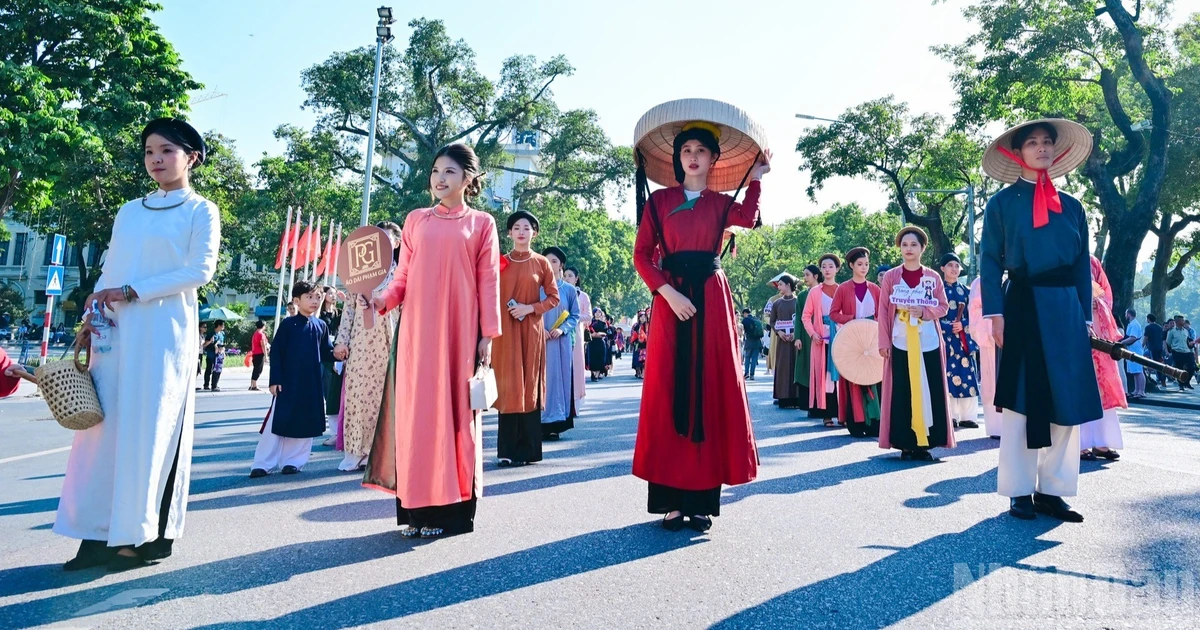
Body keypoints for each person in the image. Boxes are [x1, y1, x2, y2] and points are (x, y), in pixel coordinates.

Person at [56, 117, 220, 571]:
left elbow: (199, 271)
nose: (156, 159)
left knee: (149, 432)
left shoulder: (201, 211)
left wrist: (132, 292)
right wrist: (91, 318)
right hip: (115, 332)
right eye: (149, 151)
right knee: (102, 433)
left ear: (192, 157)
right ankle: (95, 535)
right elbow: (111, 268)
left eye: (167, 150)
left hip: (163, 335)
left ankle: (138, 537)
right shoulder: (129, 211)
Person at [632, 120, 768, 532]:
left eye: (701, 150)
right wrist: (667, 294)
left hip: (711, 295)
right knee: (668, 388)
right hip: (670, 298)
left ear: (713, 159)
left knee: (710, 389)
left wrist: (757, 179)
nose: (693, 156)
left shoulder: (722, 203)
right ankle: (671, 502)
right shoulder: (659, 201)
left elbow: (747, 218)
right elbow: (642, 255)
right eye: (686, 149)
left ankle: (702, 502)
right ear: (678, 158)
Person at [363, 143, 500, 539]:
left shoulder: (482, 224)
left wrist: (487, 335)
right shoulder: (416, 220)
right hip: (417, 335)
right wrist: (381, 300)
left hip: (460, 333)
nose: (440, 178)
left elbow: (489, 281)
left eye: (450, 172)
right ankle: (415, 510)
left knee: (454, 415)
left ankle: (451, 512)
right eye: (436, 170)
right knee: (417, 417)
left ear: (469, 179)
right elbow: (402, 277)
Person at [980, 119, 1101, 523]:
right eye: (1032, 142)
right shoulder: (1001, 204)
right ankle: (1019, 490)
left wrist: (1084, 316)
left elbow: (1081, 265)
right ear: (1017, 153)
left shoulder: (1073, 206)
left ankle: (1053, 490)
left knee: (1066, 397)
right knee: (1022, 399)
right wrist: (995, 313)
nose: (1042, 147)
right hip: (1023, 305)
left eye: (1047, 141)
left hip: (1066, 309)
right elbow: (989, 260)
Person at [878, 227, 954, 461]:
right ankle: (906, 443)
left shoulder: (933, 277)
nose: (908, 249)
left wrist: (924, 311)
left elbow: (943, 306)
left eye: (913, 244)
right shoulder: (891, 277)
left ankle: (926, 443)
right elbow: (883, 310)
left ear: (922, 248)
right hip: (900, 340)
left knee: (930, 389)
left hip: (927, 341)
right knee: (903, 390)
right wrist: (883, 341)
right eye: (904, 245)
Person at [492, 210, 558, 467]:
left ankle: (528, 451)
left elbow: (553, 298)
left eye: (527, 227)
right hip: (504, 332)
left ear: (534, 233)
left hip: (531, 330)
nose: (521, 231)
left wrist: (529, 308)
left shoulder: (542, 263)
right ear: (509, 233)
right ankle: (507, 451)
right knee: (508, 385)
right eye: (516, 227)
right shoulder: (499, 262)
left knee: (529, 385)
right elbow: (487, 293)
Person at [333, 221, 401, 470]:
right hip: (362, 343)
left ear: (397, 243)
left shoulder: (402, 274)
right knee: (359, 396)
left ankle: (383, 454)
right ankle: (356, 451)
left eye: (388, 238)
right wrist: (341, 341)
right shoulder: (359, 271)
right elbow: (348, 310)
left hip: (391, 339)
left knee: (389, 395)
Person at [251, 281, 332, 478]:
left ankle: (293, 461)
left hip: (311, 383)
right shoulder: (288, 325)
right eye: (309, 297)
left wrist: (341, 352)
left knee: (304, 422)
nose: (314, 301)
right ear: (297, 301)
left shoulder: (321, 326)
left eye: (318, 297)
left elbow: (326, 352)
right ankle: (263, 463)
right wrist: (275, 380)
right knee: (276, 422)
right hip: (287, 382)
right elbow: (277, 353)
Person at [830, 248, 883, 437]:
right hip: (851, 339)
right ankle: (856, 423)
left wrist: (875, 323)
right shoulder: (843, 289)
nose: (864, 267)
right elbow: (833, 313)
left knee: (874, 376)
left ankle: (875, 421)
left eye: (866, 264)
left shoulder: (875, 289)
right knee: (854, 379)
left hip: (872, 338)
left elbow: (882, 314)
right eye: (860, 264)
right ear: (851, 265)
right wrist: (851, 319)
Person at [1080, 256, 1125, 461]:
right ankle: (1080, 443)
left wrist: (1098, 304)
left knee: (1102, 386)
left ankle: (1101, 441)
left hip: (1097, 329)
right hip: (1073, 328)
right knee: (1080, 387)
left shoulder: (1092, 262)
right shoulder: (1062, 255)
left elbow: (1105, 293)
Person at [937, 253, 980, 429]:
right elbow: (932, 315)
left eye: (957, 265)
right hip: (945, 340)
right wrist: (947, 327)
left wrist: (963, 324)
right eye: (950, 265)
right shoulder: (937, 291)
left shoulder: (967, 291)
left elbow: (976, 315)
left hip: (963, 341)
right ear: (942, 268)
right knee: (947, 375)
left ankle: (968, 416)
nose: (954, 269)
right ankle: (951, 416)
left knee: (967, 375)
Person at [541, 246, 580, 439]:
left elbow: (575, 315)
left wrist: (562, 329)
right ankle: (539, 421)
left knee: (559, 379)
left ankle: (556, 422)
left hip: (560, 342)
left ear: (561, 265)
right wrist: (539, 330)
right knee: (541, 380)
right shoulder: (535, 287)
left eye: (554, 261)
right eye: (546, 261)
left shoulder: (569, 290)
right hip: (540, 341)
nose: (550, 264)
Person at [801, 254, 843, 426]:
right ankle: (827, 414)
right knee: (825, 377)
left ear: (837, 269)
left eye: (831, 266)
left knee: (840, 376)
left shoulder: (843, 289)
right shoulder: (814, 292)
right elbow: (805, 316)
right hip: (822, 340)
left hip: (840, 339)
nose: (827, 269)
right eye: (824, 266)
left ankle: (842, 413)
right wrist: (812, 333)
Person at [968, 276, 1002, 438]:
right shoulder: (981, 281)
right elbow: (975, 309)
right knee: (991, 382)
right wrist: (994, 325)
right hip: (990, 335)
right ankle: (996, 427)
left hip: (1014, 335)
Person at [770, 274, 804, 408]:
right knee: (783, 367)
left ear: (788, 285)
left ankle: (797, 398)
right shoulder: (777, 303)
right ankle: (783, 397)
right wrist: (779, 332)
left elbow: (804, 319)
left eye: (780, 284)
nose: (778, 287)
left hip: (796, 341)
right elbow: (772, 321)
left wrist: (796, 334)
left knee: (796, 366)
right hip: (782, 341)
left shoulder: (798, 301)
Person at [791, 265, 819, 409]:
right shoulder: (802, 295)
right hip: (805, 336)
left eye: (807, 275)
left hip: (822, 334)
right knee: (805, 367)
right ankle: (807, 403)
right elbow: (798, 318)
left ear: (816, 276)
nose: (805, 278)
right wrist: (797, 337)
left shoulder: (824, 291)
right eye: (804, 275)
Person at [564, 266, 589, 408]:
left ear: (576, 278)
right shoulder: (559, 292)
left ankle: (576, 400)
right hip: (561, 332)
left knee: (576, 365)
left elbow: (588, 316)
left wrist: (573, 316)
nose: (567, 278)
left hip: (577, 335)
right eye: (565, 275)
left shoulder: (582, 296)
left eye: (570, 276)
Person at [318, 286, 342, 418]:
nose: (333, 296)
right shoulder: (320, 313)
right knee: (317, 382)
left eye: (335, 294)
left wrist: (346, 300)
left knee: (330, 384)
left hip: (333, 350)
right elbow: (314, 319)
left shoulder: (338, 313)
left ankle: (331, 414)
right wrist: (320, 301)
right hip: (319, 350)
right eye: (330, 293)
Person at [1120, 309, 1146, 399]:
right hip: (1132, 349)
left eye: (1126, 314)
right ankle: (1136, 389)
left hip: (1136, 349)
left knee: (1139, 370)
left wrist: (1122, 342)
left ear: (1129, 314)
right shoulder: (1131, 324)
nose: (1125, 315)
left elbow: (1133, 338)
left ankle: (1141, 391)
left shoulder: (1135, 324)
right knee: (1135, 371)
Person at [1168, 314, 1195, 390]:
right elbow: (1168, 342)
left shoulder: (1186, 331)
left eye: (1183, 320)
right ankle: (1181, 384)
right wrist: (1174, 348)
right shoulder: (1172, 331)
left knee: (1192, 367)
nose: (1183, 322)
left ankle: (1187, 382)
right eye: (1182, 320)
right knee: (1179, 368)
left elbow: (1188, 340)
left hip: (1187, 351)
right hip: (1177, 352)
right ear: (1177, 321)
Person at [587, 308, 612, 381]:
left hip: (600, 342)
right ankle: (592, 373)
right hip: (592, 342)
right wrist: (592, 335)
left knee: (600, 359)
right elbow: (587, 331)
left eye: (599, 312)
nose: (598, 314)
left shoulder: (603, 323)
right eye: (596, 312)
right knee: (592, 358)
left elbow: (607, 333)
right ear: (593, 313)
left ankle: (597, 375)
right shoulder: (590, 322)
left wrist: (599, 334)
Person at [1143, 313, 1165, 389]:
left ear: (1148, 319)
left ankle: (1160, 378)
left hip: (1152, 348)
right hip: (1160, 347)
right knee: (1160, 362)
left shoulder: (1148, 327)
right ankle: (1162, 378)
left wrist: (1142, 345)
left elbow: (1146, 337)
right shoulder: (1159, 327)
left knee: (1155, 363)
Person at [741, 308, 764, 380]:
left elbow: (743, 331)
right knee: (754, 358)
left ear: (745, 313)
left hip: (749, 341)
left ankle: (746, 373)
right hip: (757, 342)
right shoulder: (757, 320)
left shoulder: (745, 320)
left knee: (747, 358)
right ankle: (752, 374)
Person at [249, 320, 269, 391]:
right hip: (259, 353)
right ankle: (254, 385)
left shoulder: (256, 333)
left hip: (255, 353)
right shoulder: (261, 334)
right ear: (263, 326)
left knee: (256, 369)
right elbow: (263, 345)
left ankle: (252, 384)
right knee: (258, 369)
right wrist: (266, 356)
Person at [208, 320, 226, 392]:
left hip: (220, 354)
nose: (223, 327)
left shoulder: (222, 334)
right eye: (222, 325)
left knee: (218, 370)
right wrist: (214, 344)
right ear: (218, 325)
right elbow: (208, 344)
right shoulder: (212, 334)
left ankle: (216, 384)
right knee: (213, 370)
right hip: (212, 354)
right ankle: (213, 385)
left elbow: (222, 343)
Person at [631, 310, 649, 379]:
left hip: (645, 344)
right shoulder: (636, 326)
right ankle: (638, 371)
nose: (643, 318)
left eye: (644, 317)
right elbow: (633, 334)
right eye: (641, 317)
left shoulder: (648, 325)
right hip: (638, 344)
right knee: (637, 358)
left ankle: (643, 373)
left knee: (644, 359)